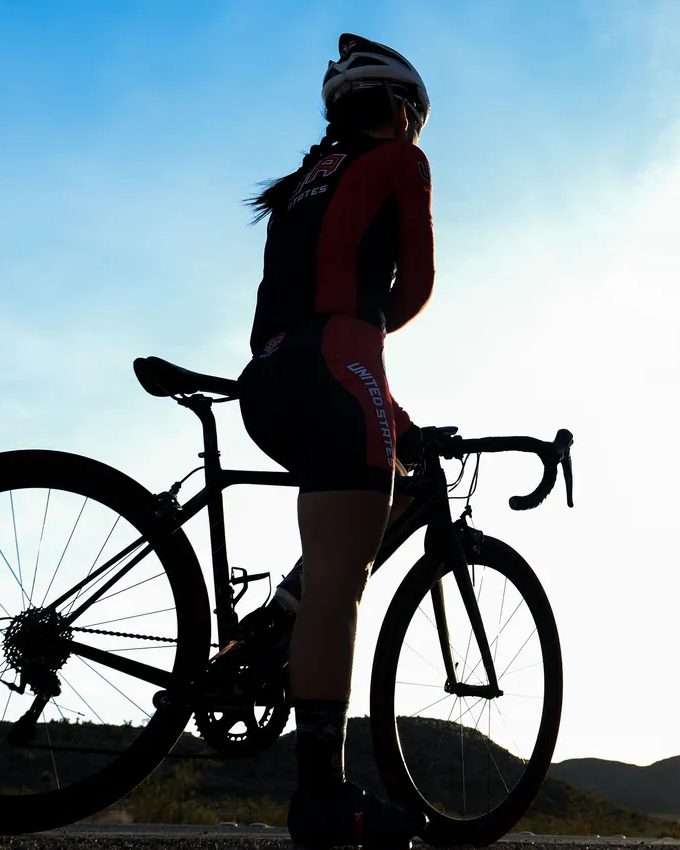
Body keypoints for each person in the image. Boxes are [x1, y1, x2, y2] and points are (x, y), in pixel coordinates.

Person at [235, 32, 436, 850]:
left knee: (329, 549)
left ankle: (264, 631)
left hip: (268, 379)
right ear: (399, 111)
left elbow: (309, 311)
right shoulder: (399, 162)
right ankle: (324, 800)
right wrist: (374, 349)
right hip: (336, 371)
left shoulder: (298, 184)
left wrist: (398, 417)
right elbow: (410, 291)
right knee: (339, 586)